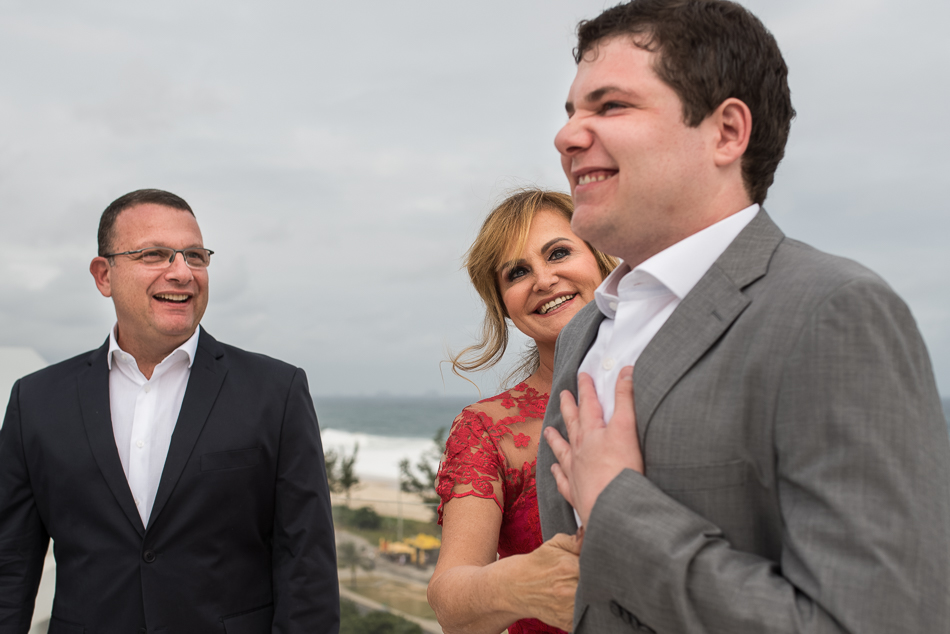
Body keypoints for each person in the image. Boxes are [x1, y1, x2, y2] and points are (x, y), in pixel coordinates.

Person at [537, 1, 950, 633]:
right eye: (571, 113)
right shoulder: (581, 337)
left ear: (728, 132)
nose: (567, 136)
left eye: (610, 105)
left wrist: (621, 511)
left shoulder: (833, 312)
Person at [0, 189, 340, 633]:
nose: (182, 272)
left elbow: (306, 567)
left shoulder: (276, 392)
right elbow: (10, 564)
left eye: (195, 256)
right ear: (104, 275)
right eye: (156, 255)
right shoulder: (37, 401)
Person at [428, 189, 616, 634]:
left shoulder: (679, 382)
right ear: (505, 307)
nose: (544, 279)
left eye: (559, 252)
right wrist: (525, 584)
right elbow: (448, 601)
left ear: (601, 258)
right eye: (517, 272)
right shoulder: (487, 430)